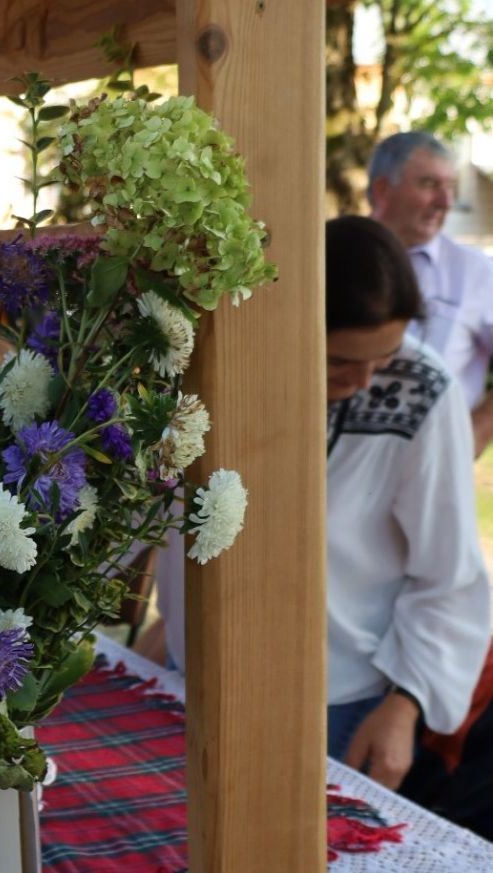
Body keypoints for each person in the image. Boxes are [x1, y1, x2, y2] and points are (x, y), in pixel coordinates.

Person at [154, 216, 490, 789]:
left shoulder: (423, 390)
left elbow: (449, 572)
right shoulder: (222, 361)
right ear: (296, 320)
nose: (365, 382)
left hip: (340, 700)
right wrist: (170, 624)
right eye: (341, 362)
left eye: (383, 359)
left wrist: (406, 703)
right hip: (196, 675)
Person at [368, 131, 493, 456]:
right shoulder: (334, 257)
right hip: (337, 467)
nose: (446, 201)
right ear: (383, 190)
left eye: (450, 187)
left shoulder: (477, 271)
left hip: (434, 464)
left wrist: (477, 432)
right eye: (429, 184)